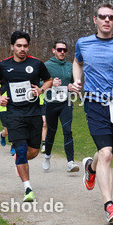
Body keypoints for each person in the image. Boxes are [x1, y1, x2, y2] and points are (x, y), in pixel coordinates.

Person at [68, 3, 113, 223]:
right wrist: (77, 80)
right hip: (94, 103)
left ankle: (90, 167)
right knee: (106, 153)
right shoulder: (84, 43)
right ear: (95, 20)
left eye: (111, 17)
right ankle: (109, 205)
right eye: (102, 17)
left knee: (107, 153)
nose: (107, 20)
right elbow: (77, 61)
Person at [0, 31, 52, 202]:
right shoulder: (3, 66)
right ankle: (28, 189)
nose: (22, 49)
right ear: (12, 47)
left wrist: (40, 90)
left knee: (33, 151)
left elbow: (48, 80)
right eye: (19, 46)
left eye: (25, 46)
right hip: (14, 113)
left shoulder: (37, 63)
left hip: (34, 113)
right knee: (21, 149)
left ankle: (20, 160)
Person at [42, 41, 79, 173]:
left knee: (67, 130)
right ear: (53, 50)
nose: (62, 52)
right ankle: (47, 156)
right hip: (51, 104)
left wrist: (73, 87)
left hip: (66, 103)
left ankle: (70, 162)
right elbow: (39, 82)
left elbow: (76, 83)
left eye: (64, 50)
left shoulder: (70, 66)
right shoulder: (46, 65)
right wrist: (51, 83)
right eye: (59, 49)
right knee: (51, 132)